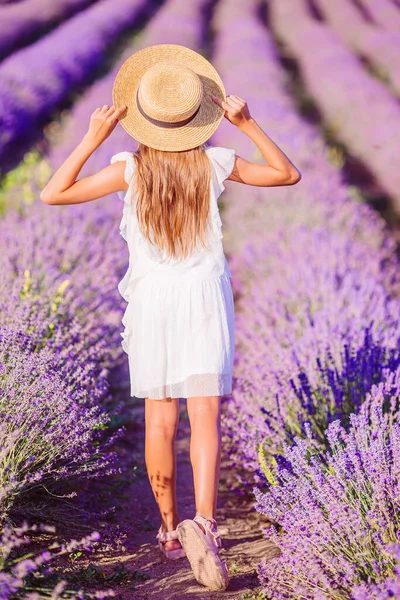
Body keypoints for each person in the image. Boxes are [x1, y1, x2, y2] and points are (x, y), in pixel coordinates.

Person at [41, 44, 301, 592]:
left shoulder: (128, 169)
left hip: (154, 303)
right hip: (204, 298)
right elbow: (287, 174)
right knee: (204, 414)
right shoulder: (215, 162)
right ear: (196, 120)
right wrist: (248, 123)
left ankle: (166, 530)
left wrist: (92, 138)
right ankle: (205, 524)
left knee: (160, 420)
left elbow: (52, 193)